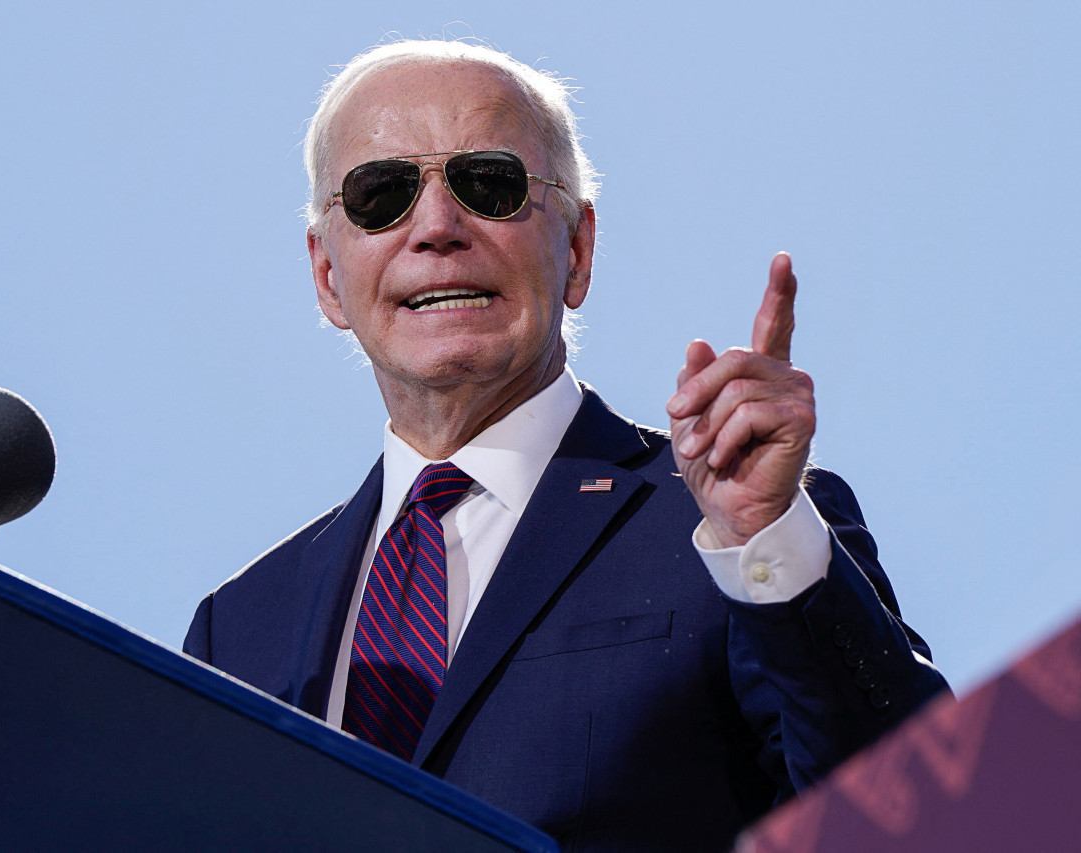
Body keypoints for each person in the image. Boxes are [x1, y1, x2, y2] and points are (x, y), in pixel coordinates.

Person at [184, 40, 948, 852]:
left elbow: (926, 817)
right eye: (382, 195)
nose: (437, 227)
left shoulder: (731, 526)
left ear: (578, 251)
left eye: (490, 184)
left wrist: (767, 542)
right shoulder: (235, 631)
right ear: (329, 277)